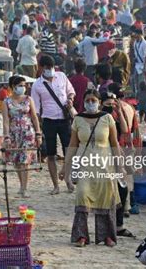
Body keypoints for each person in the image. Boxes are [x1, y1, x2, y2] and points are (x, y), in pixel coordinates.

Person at [59, 89, 122, 247]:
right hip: (84, 164)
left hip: (105, 165)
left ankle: (107, 236)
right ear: (84, 102)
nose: (91, 103)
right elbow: (73, 145)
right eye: (88, 100)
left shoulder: (107, 118)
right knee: (82, 195)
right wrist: (64, 168)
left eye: (94, 100)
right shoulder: (78, 119)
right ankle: (81, 236)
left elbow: (114, 143)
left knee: (106, 199)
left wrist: (120, 166)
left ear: (99, 102)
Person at [32, 55, 76, 194]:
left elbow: (71, 92)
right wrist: (38, 129)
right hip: (49, 120)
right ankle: (55, 185)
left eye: (51, 67)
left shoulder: (62, 76)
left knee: (68, 151)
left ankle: (68, 180)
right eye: (46, 68)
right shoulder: (37, 85)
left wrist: (70, 100)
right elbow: (36, 109)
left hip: (64, 119)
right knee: (51, 154)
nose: (49, 70)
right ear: (41, 68)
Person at [2, 76, 42, 197]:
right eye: (20, 85)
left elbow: (34, 117)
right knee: (17, 161)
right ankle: (21, 185)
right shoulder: (6, 101)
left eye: (24, 85)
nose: (23, 88)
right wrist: (6, 136)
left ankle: (24, 187)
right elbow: (6, 120)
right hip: (14, 134)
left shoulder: (29, 99)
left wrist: (38, 133)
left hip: (27, 133)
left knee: (25, 160)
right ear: (13, 87)